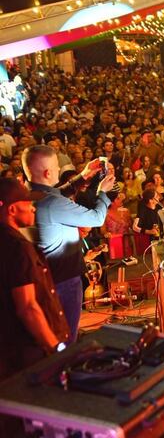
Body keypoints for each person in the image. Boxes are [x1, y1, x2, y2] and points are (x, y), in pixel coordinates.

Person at [23, 145, 115, 344]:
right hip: (64, 281)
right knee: (66, 337)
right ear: (48, 172)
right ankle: (63, 371)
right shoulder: (51, 204)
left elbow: (57, 192)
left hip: (47, 278)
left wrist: (83, 176)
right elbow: (96, 218)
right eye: (57, 166)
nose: (60, 170)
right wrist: (103, 193)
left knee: (53, 334)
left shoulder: (28, 194)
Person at [0, 178, 69, 379]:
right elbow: (28, 307)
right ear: (12, 210)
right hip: (26, 351)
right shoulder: (17, 247)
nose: (33, 208)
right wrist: (55, 349)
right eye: (28, 203)